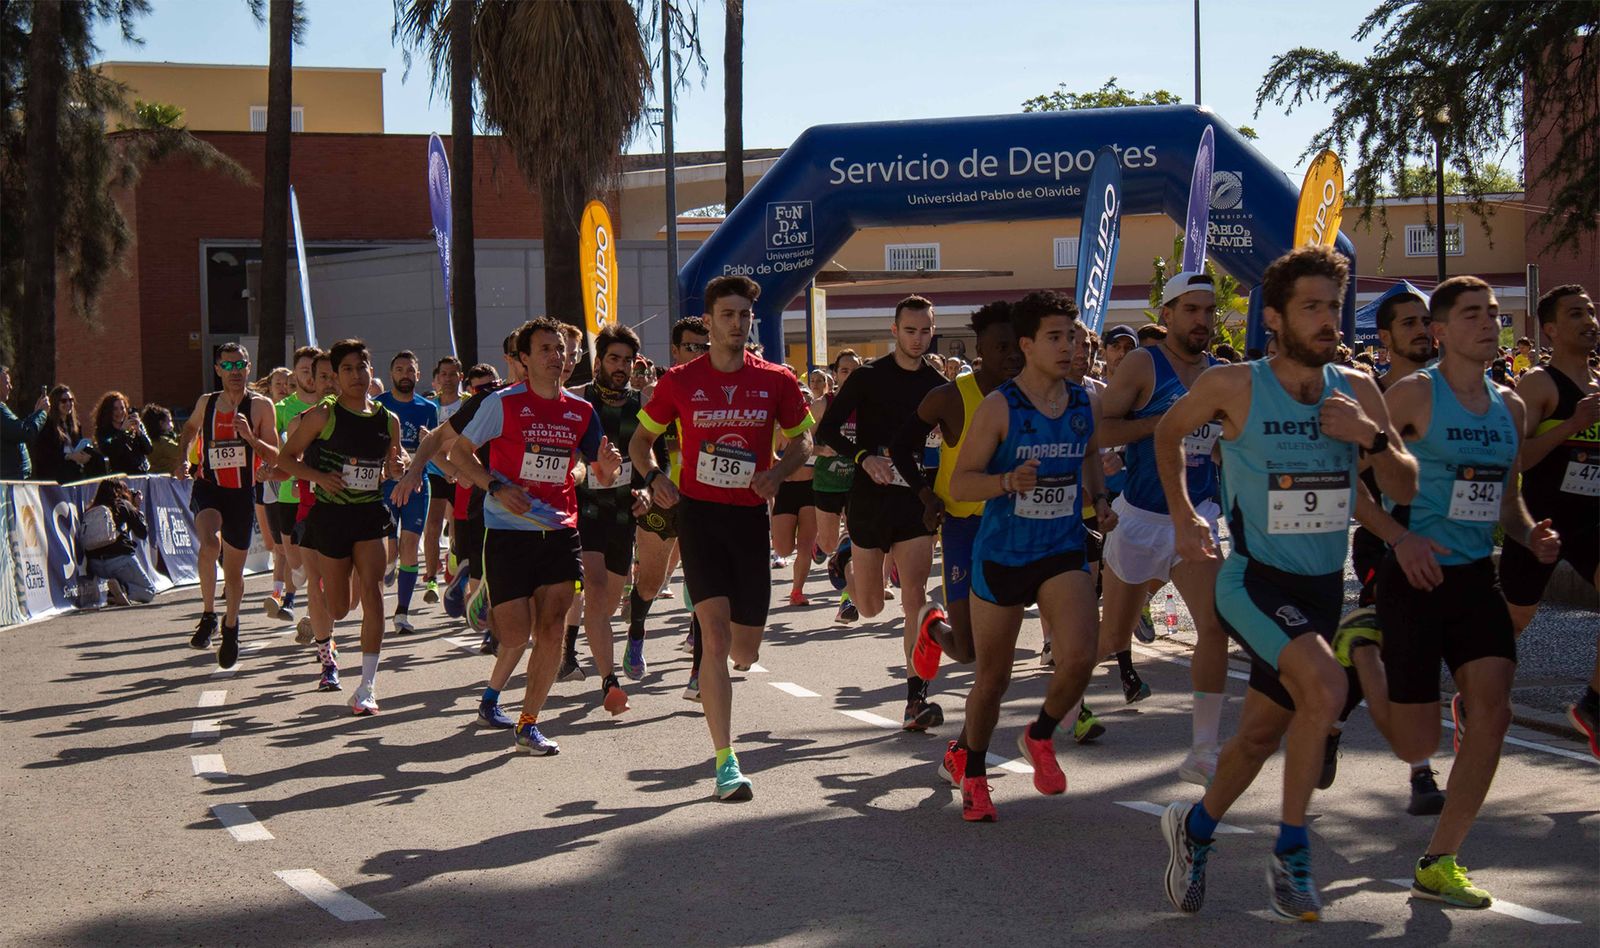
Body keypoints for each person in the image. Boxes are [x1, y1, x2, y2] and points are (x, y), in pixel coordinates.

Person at [1157, 245, 1416, 922]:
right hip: (1253, 581)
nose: (1330, 318)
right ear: (1274, 316)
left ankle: (1196, 828)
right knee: (1328, 688)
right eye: (1313, 306)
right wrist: (1185, 516)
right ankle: (1293, 853)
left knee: (1258, 737)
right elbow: (1166, 433)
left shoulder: (1357, 390)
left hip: (1323, 588)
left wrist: (1371, 439)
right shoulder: (1235, 385)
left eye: (1335, 304)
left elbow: (1399, 485)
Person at [1354, 275, 1557, 908]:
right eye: (1473, 314)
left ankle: (1440, 860)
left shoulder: (1511, 407)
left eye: (1494, 313)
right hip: (1413, 574)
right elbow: (1351, 484)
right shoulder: (1412, 394)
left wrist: (1529, 534)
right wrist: (1399, 539)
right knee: (1416, 736)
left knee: (1492, 712)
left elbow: (1507, 497)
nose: (1489, 323)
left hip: (1473, 578)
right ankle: (1359, 648)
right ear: (1440, 331)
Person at [630, 275, 815, 800]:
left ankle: (734, 666)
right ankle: (725, 759)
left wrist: (777, 474)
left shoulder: (776, 379)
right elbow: (641, 442)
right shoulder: (681, 381)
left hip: (750, 520)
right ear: (708, 322)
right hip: (701, 517)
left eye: (744, 316)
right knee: (713, 639)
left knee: (744, 651)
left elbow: (804, 441)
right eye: (727, 316)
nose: (737, 324)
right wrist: (654, 478)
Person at [945, 291, 1113, 821]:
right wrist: (1004, 481)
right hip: (1003, 556)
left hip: (1062, 547)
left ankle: (1039, 735)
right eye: (1056, 337)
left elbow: (1088, 456)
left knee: (1083, 657)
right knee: (992, 680)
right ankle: (972, 770)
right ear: (1027, 344)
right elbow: (961, 480)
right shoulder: (1001, 406)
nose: (1069, 347)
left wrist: (1101, 498)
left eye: (1074, 337)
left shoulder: (1085, 400)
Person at [451, 318, 623, 753]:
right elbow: (457, 453)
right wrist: (495, 486)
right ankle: (485, 591)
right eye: (546, 349)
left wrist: (609, 463)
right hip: (506, 531)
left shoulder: (581, 411)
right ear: (524, 359)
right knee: (515, 635)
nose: (556, 357)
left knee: (551, 629)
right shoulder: (502, 404)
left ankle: (528, 724)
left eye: (561, 349)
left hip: (560, 530)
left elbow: (601, 470)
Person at [1094, 271, 1232, 784]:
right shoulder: (1142, 363)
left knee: (1213, 626)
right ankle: (1063, 704)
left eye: (1208, 311)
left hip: (1195, 519)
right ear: (1168, 315)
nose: (1202, 320)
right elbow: (1103, 429)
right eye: (1191, 310)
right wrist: (1165, 422)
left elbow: (1216, 446)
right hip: (1141, 517)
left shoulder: (1220, 374)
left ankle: (1202, 748)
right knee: (1112, 636)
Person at [1327, 288, 1446, 811]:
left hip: (1447, 546)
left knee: (1403, 646)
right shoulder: (1369, 400)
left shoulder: (1454, 394)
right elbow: (1347, 477)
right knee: (1400, 646)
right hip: (1386, 543)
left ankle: (1330, 719)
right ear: (1386, 336)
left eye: (1427, 321)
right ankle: (1421, 775)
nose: (1422, 330)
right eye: (1409, 323)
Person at [817, 296, 948, 730]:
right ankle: (847, 558)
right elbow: (828, 429)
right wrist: (863, 459)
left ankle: (916, 699)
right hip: (870, 497)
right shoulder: (870, 376)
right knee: (870, 607)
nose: (918, 339)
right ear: (895, 331)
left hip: (913, 499)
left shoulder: (936, 382)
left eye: (925, 330)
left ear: (933, 330)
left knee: (915, 598)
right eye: (910, 331)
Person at [893, 301, 1022, 700]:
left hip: (1016, 525)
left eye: (1017, 346)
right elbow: (901, 447)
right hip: (964, 528)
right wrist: (926, 494)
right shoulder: (949, 397)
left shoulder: (1031, 395)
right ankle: (931, 624)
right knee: (965, 650)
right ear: (980, 348)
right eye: (1001, 347)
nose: (1011, 356)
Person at [274, 339, 403, 712]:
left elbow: (388, 469)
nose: (356, 376)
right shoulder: (322, 416)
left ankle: (367, 686)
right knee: (342, 607)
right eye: (347, 370)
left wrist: (396, 469)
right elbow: (286, 458)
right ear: (336, 377)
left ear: (371, 371)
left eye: (361, 368)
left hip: (368, 514)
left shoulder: (386, 420)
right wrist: (319, 476)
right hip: (330, 517)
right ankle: (318, 601)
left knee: (374, 593)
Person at [1499, 283, 1598, 753]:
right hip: (1539, 521)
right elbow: (1515, 459)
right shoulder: (1538, 384)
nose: (1589, 321)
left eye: (1592, 311)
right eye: (1576, 314)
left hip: (1590, 522)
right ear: (1552, 329)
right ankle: (1479, 692)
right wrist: (1573, 425)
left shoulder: (1599, 386)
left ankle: (1593, 704)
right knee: (1515, 619)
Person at [174, 343, 281, 670]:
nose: (236, 372)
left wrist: (251, 440)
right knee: (208, 543)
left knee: (233, 572)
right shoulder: (206, 404)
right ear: (218, 369)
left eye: (241, 366)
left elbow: (274, 453)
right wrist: (181, 458)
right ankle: (208, 613)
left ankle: (230, 627)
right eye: (229, 366)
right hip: (209, 486)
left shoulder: (261, 406)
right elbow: (190, 429)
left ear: (249, 368)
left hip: (241, 494)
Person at [568, 323, 650, 711]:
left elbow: (656, 461)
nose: (620, 366)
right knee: (596, 590)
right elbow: (568, 457)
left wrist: (648, 492)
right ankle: (609, 681)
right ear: (598, 361)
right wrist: (586, 469)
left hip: (622, 514)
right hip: (584, 512)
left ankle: (601, 661)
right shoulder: (580, 403)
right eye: (613, 359)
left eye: (627, 360)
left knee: (609, 602)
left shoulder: (643, 406)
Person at [630, 317, 709, 699]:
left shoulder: (720, 389)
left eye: (704, 347)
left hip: (704, 501)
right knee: (651, 581)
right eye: (691, 347)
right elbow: (642, 443)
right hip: (664, 495)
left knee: (703, 581)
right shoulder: (663, 391)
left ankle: (698, 674)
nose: (698, 354)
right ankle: (636, 632)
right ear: (675, 351)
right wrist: (654, 479)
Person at [375, 350, 439, 635]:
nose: (405, 374)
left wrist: (425, 449)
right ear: (391, 374)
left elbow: (432, 449)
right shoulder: (378, 405)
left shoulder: (428, 408)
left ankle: (402, 611)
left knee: (411, 545)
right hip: (385, 483)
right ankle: (390, 560)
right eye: (399, 369)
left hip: (417, 484)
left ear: (418, 375)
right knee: (391, 544)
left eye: (410, 370)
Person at [260, 347, 322, 630]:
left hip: (320, 493)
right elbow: (273, 449)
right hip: (288, 492)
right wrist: (267, 468)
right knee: (292, 557)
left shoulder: (330, 406)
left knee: (318, 555)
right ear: (295, 373)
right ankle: (291, 595)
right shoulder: (282, 410)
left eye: (313, 370)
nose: (309, 375)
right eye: (304, 370)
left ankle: (312, 614)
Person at [812, 349, 862, 617]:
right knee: (831, 542)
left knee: (851, 542)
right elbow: (802, 441)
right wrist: (822, 451)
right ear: (836, 374)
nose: (850, 376)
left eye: (855, 371)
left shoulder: (869, 405)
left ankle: (847, 600)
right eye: (845, 371)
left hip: (857, 482)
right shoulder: (822, 405)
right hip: (827, 481)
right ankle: (820, 545)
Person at [422, 355, 465, 602]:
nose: (448, 379)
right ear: (437, 379)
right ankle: (430, 579)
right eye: (444, 375)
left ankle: (454, 559)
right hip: (435, 471)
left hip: (462, 471)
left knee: (458, 524)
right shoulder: (431, 407)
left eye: (453, 374)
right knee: (433, 524)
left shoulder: (468, 404)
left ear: (460, 376)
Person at [81, 479, 157, 605]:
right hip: (120, 561)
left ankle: (110, 592)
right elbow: (142, 532)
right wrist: (136, 507)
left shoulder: (90, 509)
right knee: (149, 591)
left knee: (117, 575)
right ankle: (123, 590)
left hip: (95, 564)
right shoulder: (122, 505)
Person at [33, 385, 104, 483]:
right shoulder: (47, 425)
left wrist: (83, 455)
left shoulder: (75, 425)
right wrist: (69, 456)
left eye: (71, 400)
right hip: (55, 478)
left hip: (73, 475)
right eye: (64, 401)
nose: (68, 403)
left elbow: (77, 447)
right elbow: (45, 456)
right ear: (55, 403)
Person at [1, 365, 47, 480]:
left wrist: (36, 414)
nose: (11, 387)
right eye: (7, 383)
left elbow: (16, 428)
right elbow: (24, 432)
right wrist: (42, 412)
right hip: (9, 480)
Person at [92, 391, 152, 475]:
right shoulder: (103, 430)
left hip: (140, 474)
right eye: (115, 409)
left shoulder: (134, 425)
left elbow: (148, 449)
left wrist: (139, 431)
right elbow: (110, 450)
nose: (119, 412)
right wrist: (122, 431)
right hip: (120, 475)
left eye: (122, 408)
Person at [141, 404, 182, 475]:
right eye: (169, 421)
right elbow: (180, 452)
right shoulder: (163, 442)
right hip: (166, 480)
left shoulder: (149, 441)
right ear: (161, 423)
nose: (172, 426)